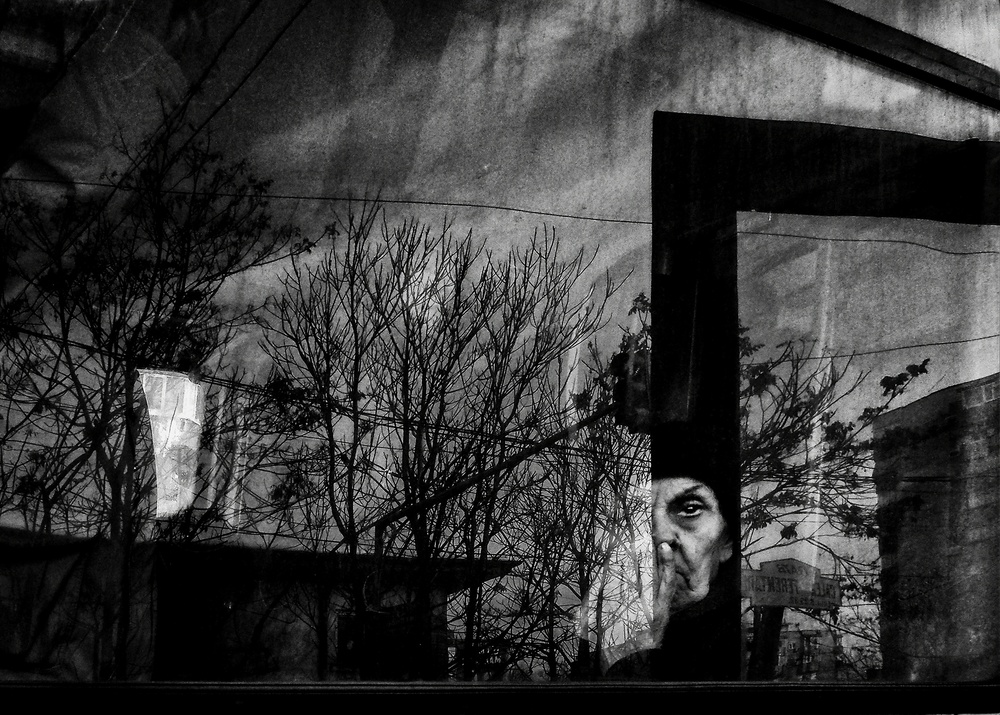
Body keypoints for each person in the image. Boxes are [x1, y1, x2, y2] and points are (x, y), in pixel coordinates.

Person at [605, 473, 740, 681]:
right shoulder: (596, 627)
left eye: (690, 509)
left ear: (727, 540)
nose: (661, 535)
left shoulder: (738, 637)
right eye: (637, 515)